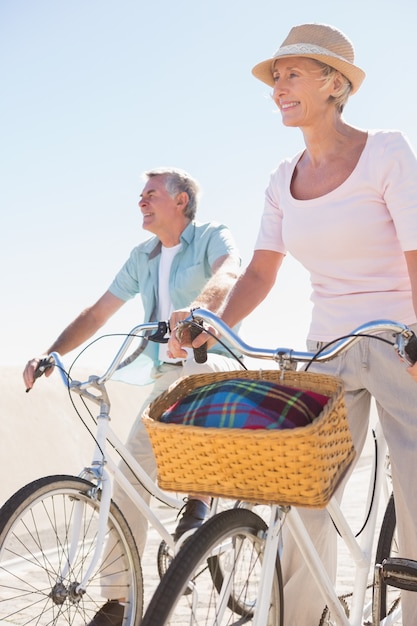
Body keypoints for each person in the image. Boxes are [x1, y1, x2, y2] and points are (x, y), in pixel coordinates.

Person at [170, 23, 417, 625]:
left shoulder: (386, 152)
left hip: (400, 342)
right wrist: (215, 321)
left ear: (335, 83)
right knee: (303, 499)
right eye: (275, 78)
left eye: (293, 74)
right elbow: (259, 273)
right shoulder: (283, 178)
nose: (279, 87)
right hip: (325, 351)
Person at [23, 166, 242, 626]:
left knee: (197, 398)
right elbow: (98, 311)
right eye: (140, 195)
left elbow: (231, 272)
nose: (141, 202)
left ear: (181, 200)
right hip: (164, 374)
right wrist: (50, 353)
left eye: (151, 194)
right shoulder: (142, 256)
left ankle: (199, 505)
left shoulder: (209, 237)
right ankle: (120, 599)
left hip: (211, 362)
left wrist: (199, 312)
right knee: (125, 480)